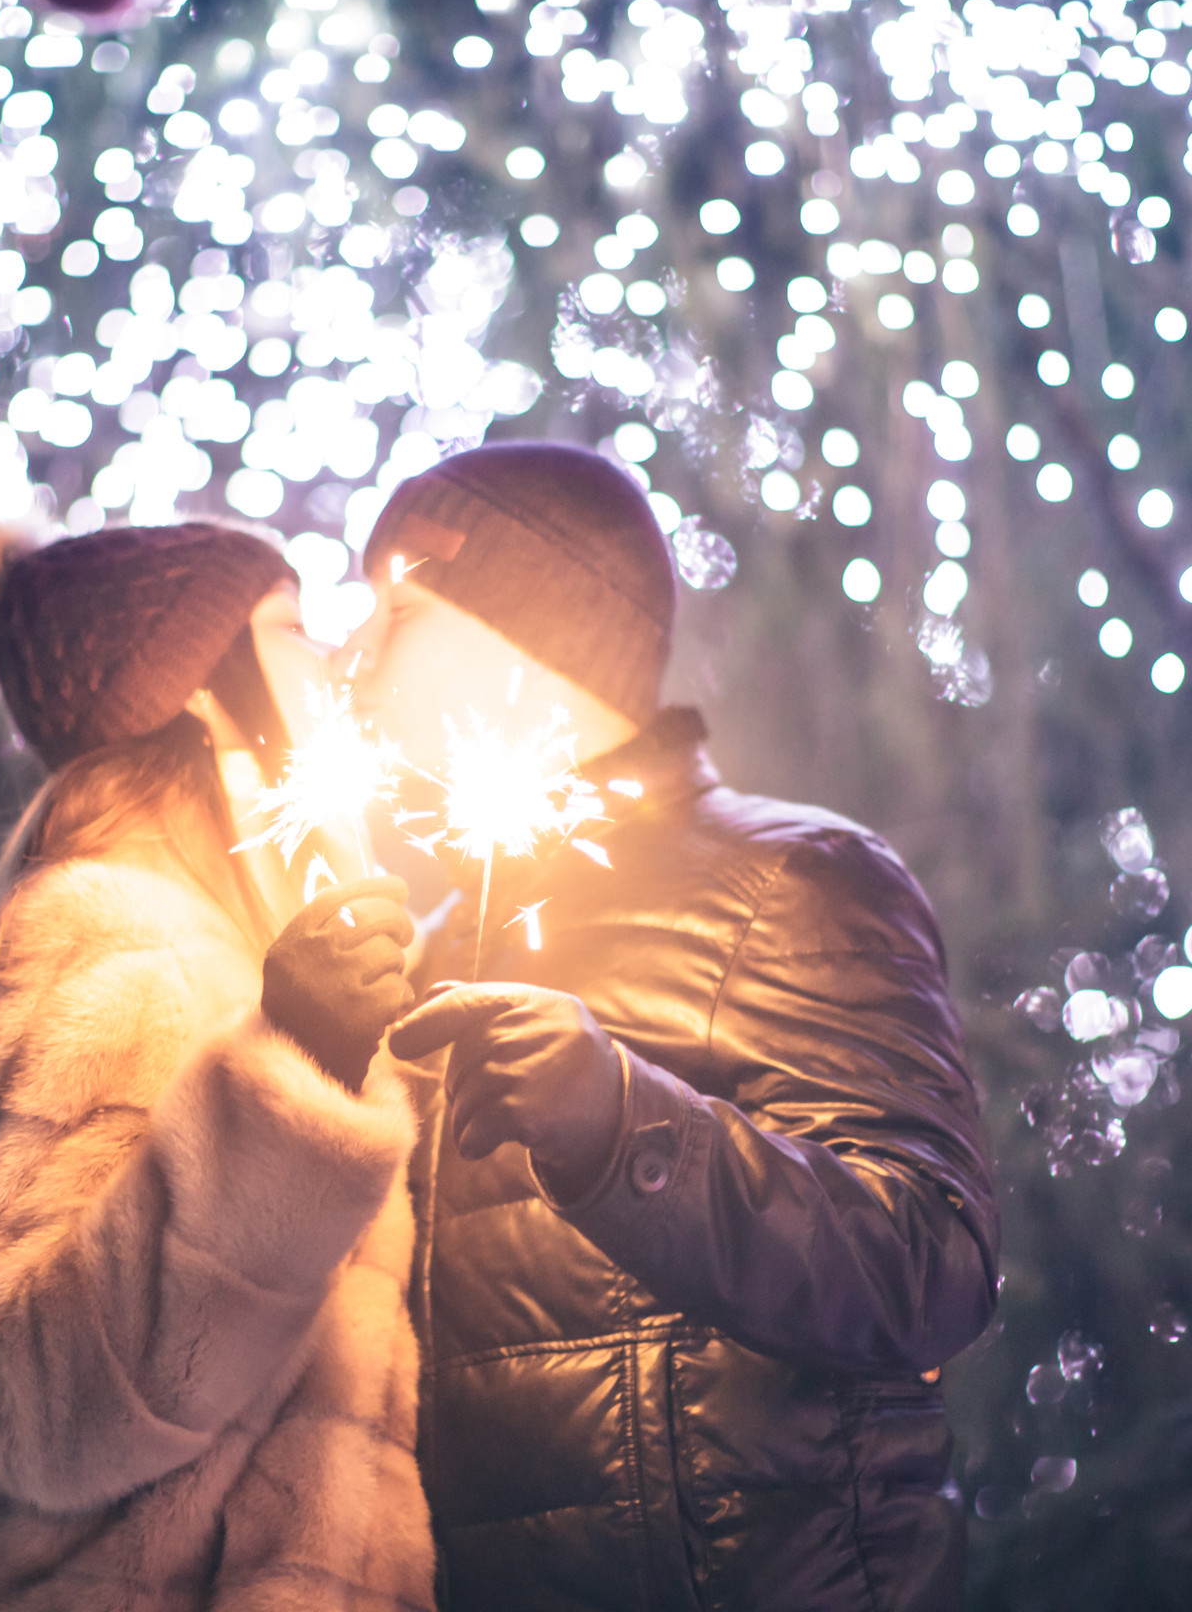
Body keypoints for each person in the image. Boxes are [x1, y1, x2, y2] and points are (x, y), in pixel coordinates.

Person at [338, 442, 999, 1612]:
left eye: (398, 608)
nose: (357, 656)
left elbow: (930, 1265)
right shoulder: (428, 954)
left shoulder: (796, 880)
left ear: (521, 632)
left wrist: (625, 1126)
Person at [0, 518, 434, 1612]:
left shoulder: (239, 939)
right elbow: (42, 1407)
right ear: (200, 694)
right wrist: (292, 1076)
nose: (329, 655)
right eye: (288, 626)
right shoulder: (114, 932)